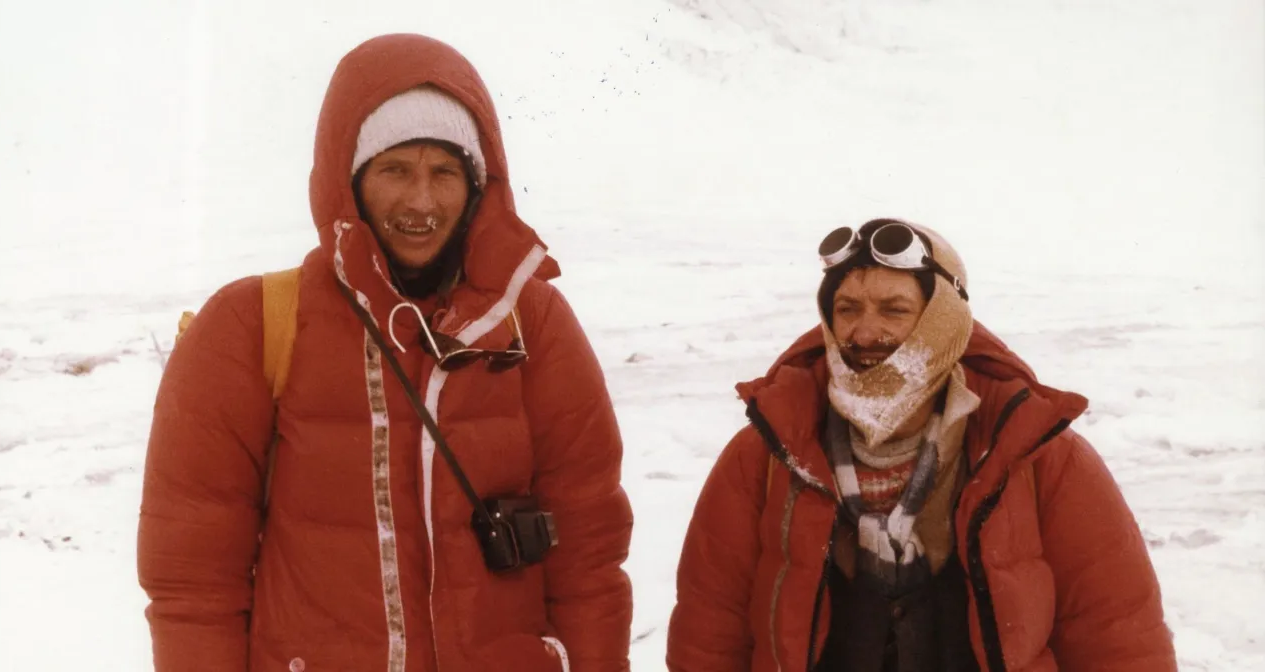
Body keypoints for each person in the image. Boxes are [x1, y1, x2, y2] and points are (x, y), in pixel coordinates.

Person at [138, 34, 633, 672]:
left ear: (477, 185)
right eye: (395, 169)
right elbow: (193, 581)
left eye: (445, 172)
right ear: (349, 181)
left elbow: (590, 558)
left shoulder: (531, 324)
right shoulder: (251, 327)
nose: (421, 202)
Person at [666, 218, 1176, 671]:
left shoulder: (1036, 455)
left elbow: (1117, 636)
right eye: (847, 308)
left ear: (941, 322)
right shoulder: (764, 456)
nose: (864, 332)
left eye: (894, 310)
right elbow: (709, 633)